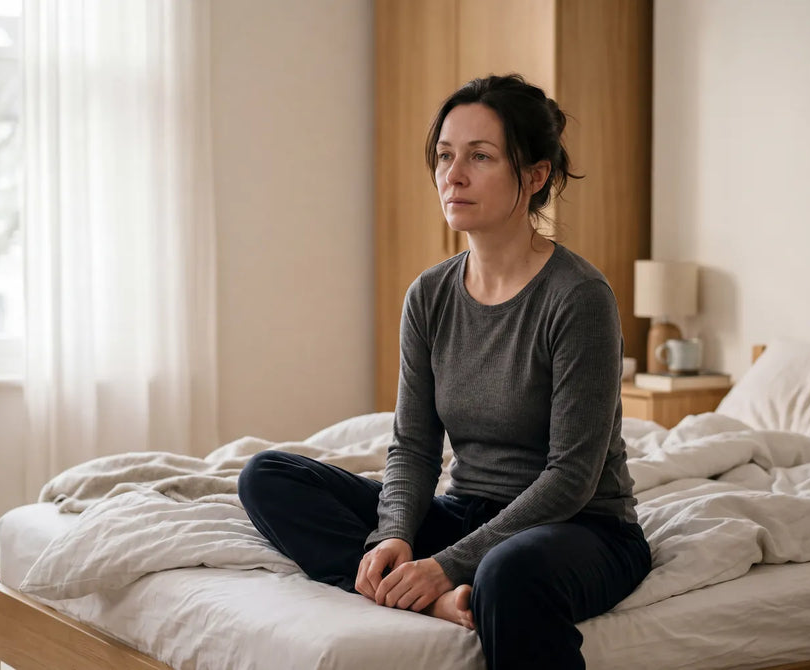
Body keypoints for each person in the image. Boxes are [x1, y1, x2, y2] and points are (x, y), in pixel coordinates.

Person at [239, 74, 651, 669]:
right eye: (444, 156)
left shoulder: (578, 296)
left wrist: (447, 565)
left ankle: (443, 585)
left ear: (535, 176)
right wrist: (395, 539)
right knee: (268, 476)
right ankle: (421, 601)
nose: (452, 176)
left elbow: (572, 477)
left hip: (582, 528)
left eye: (479, 157)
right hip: (468, 512)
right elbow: (412, 445)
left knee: (507, 573)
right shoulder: (429, 294)